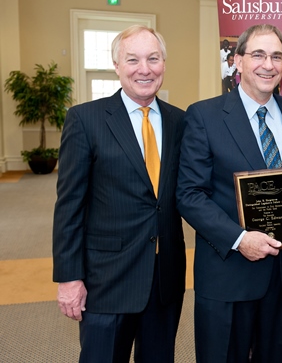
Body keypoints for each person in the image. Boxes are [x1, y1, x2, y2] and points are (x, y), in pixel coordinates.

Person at [177, 24, 282, 363]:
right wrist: (240, 239)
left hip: (281, 277)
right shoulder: (205, 115)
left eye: (276, 56)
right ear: (237, 61)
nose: (268, 64)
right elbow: (189, 194)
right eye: (258, 55)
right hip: (228, 275)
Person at [52, 25, 186, 362]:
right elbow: (69, 205)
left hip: (164, 279)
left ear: (164, 64)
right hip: (106, 280)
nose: (145, 69)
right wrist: (69, 278)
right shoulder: (85, 119)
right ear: (116, 66)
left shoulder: (180, 122)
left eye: (153, 58)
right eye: (133, 60)